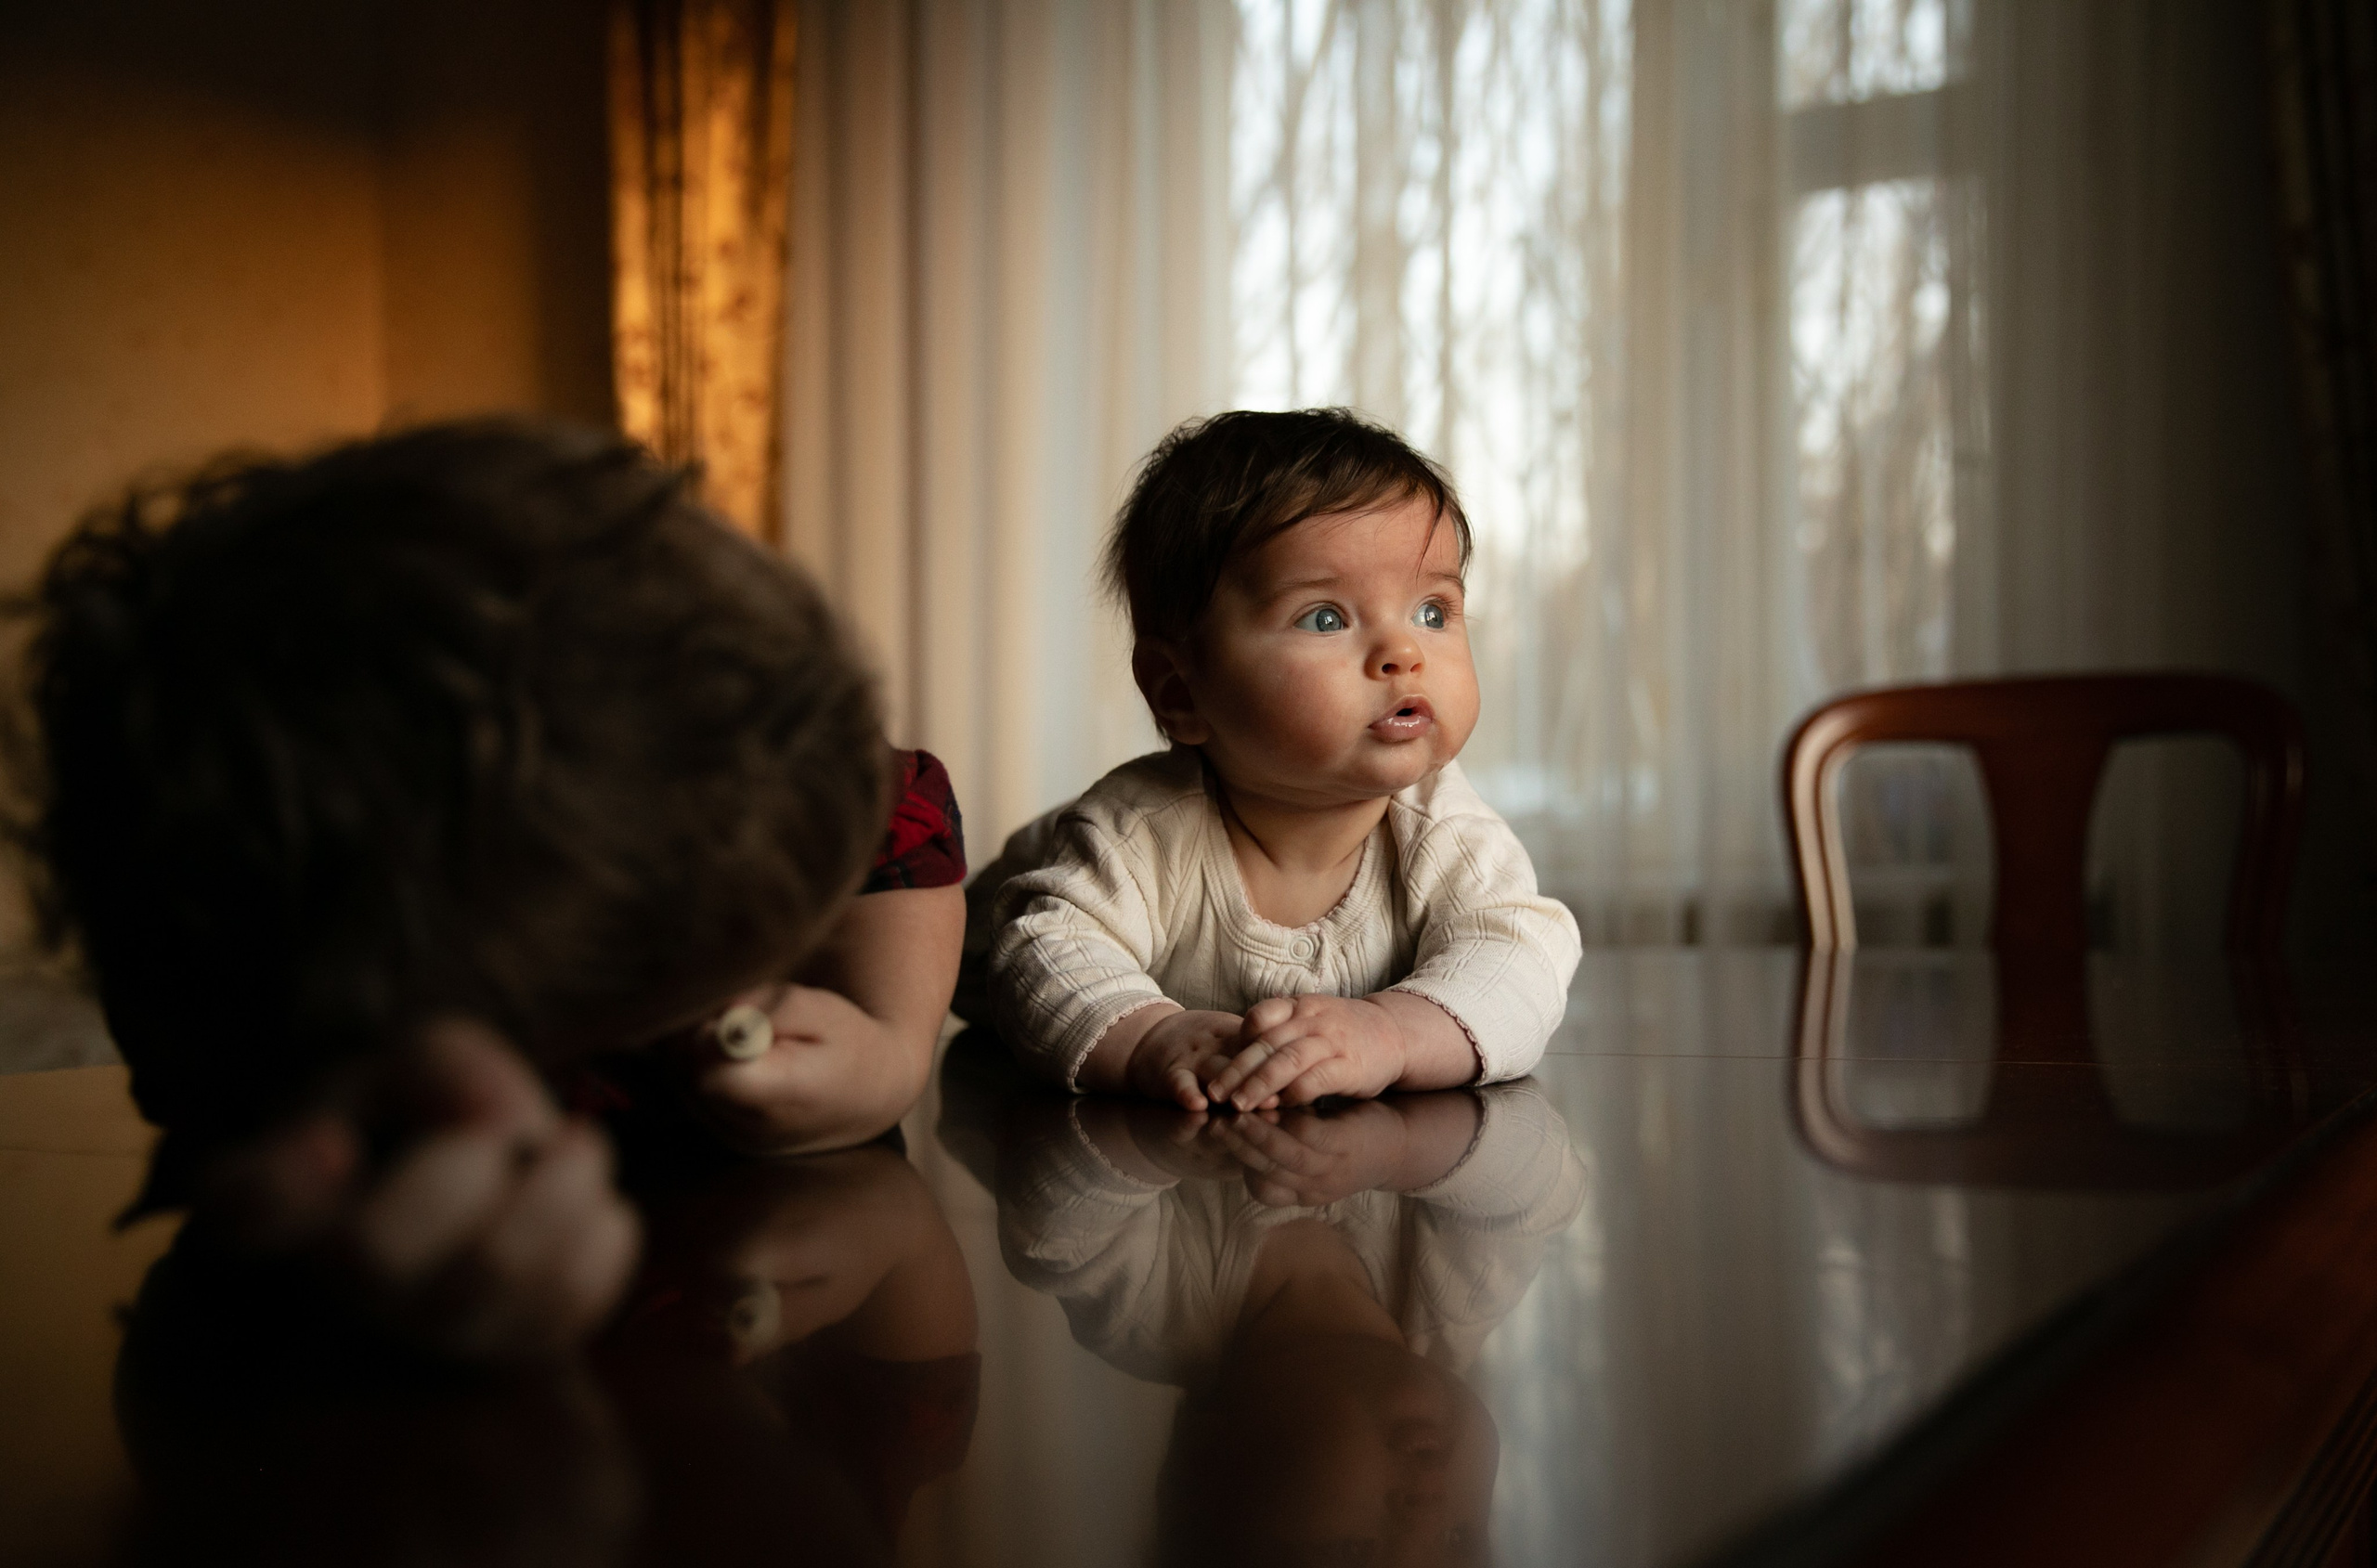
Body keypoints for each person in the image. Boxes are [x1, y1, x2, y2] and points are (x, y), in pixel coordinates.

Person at [15, 420, 957, 1361]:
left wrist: (890, 1052)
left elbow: (891, 808)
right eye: (687, 973)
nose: (741, 984)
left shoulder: (778, 774)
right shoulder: (264, 1023)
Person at [975, 408, 1581, 1111]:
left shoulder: (1448, 834)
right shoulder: (1136, 833)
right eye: (1325, 617)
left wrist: (1394, 1033)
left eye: (1432, 612)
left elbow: (1518, 962)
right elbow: (1044, 951)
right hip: (973, 936)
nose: (1404, 651)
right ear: (1180, 691)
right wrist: (1146, 1038)